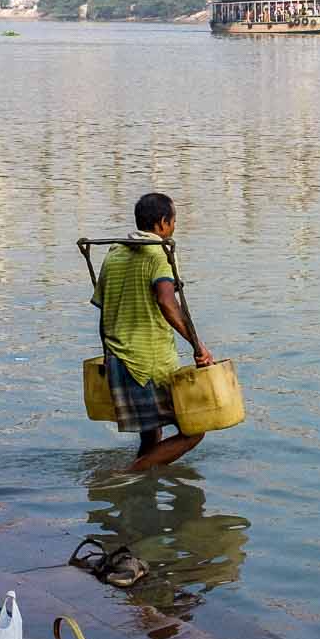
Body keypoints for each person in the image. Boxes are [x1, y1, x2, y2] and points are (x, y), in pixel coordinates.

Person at [94, 192, 216, 472]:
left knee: (151, 433)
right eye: (173, 221)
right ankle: (127, 476)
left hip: (117, 359)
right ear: (163, 223)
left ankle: (141, 490)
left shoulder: (113, 255)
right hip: (146, 363)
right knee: (193, 430)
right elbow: (166, 301)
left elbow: (103, 306)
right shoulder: (160, 253)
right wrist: (198, 346)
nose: (173, 227)